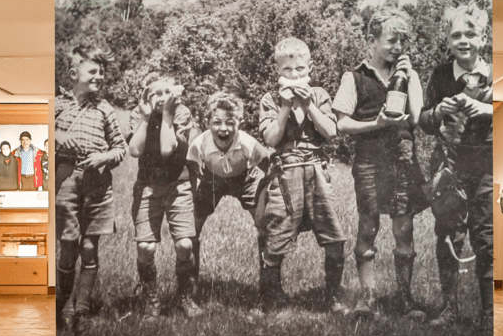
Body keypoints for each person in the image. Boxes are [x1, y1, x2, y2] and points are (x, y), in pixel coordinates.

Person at [333, 5, 428, 318]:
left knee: (404, 230)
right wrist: (376, 125)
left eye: (402, 41)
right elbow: (342, 125)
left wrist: (410, 76)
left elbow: (415, 118)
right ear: (371, 41)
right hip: (370, 163)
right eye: (390, 41)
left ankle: (405, 299)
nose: (397, 48)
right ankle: (369, 298)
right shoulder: (355, 77)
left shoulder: (408, 75)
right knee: (368, 228)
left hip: (402, 162)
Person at [258, 37, 349, 313]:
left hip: (317, 169)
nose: (294, 75)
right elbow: (271, 139)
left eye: (300, 69)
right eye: (287, 70)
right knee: (277, 235)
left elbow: (331, 132)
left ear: (310, 68)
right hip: (285, 173)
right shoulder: (270, 99)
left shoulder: (319, 95)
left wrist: (308, 105)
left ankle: (332, 296)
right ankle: (273, 297)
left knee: (333, 235)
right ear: (278, 71)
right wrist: (286, 108)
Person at [418, 1, 494, 327]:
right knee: (448, 233)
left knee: (488, 235)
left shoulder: (497, 74)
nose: (463, 40)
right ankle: (450, 308)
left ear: (484, 37)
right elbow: (423, 121)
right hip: (450, 165)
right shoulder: (440, 75)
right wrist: (438, 112)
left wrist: (490, 110)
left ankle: (491, 313)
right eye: (456, 35)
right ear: (448, 40)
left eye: (471, 34)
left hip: (489, 165)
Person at [55, 44, 126, 329]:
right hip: (66, 183)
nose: (100, 76)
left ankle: (80, 308)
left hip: (98, 186)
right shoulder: (57, 105)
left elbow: (120, 148)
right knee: (69, 245)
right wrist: (57, 134)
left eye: (102, 72)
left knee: (89, 246)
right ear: (74, 73)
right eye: (93, 71)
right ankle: (61, 306)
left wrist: (103, 157)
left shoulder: (105, 109)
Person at [186, 91, 270, 306]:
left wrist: (265, 198)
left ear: (239, 123)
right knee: (191, 228)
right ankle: (189, 289)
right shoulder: (200, 143)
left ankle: (268, 289)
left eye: (230, 123)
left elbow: (268, 166)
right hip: (212, 179)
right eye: (217, 122)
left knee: (265, 226)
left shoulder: (247, 142)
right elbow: (191, 172)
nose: (223, 128)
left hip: (245, 178)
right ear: (207, 122)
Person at [127, 75, 201, 317]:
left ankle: (185, 296)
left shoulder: (181, 114)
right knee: (146, 247)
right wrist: (146, 118)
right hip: (148, 186)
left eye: (166, 92)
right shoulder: (139, 114)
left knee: (185, 244)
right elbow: (135, 150)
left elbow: (168, 150)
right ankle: (151, 297)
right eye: (156, 93)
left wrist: (167, 116)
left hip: (178, 186)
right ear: (147, 96)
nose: (162, 97)